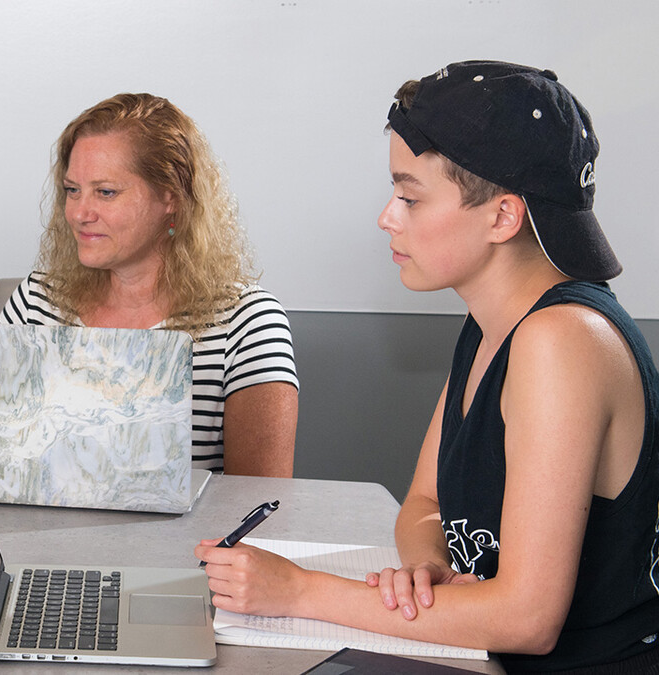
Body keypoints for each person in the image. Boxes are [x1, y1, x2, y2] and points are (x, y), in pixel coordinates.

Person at [196, 61, 659, 672]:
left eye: (410, 196)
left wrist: (302, 592)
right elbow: (422, 503)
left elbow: (528, 618)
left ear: (503, 216)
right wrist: (428, 572)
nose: (387, 217)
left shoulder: (562, 340)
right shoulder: (491, 324)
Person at [0, 93, 299, 476]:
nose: (78, 213)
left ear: (170, 196)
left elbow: (259, 503)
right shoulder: (35, 303)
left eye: (105, 192)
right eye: (72, 190)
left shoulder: (246, 323)